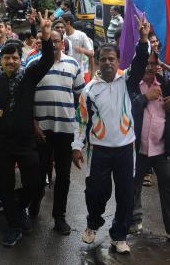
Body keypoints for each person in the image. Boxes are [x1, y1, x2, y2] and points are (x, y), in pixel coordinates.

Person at [72, 16, 150, 254]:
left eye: (112, 58)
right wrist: (77, 146)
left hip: (126, 148)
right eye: (103, 58)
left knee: (126, 195)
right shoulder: (89, 90)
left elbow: (139, 63)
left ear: (118, 61)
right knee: (96, 191)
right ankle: (93, 223)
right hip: (100, 150)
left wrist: (143, 40)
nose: (107, 62)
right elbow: (81, 120)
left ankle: (119, 235)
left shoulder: (126, 81)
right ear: (99, 60)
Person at [0, 11, 54, 247]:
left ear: (21, 58)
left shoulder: (29, 76)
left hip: (24, 141)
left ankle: (19, 208)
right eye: (6, 58)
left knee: (35, 183)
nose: (10, 61)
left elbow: (47, 60)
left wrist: (46, 35)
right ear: (0, 59)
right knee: (2, 185)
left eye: (15, 58)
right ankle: (14, 223)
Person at [30, 29, 85, 234]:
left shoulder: (73, 64)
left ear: (63, 43)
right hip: (40, 131)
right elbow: (27, 98)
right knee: (37, 173)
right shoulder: (33, 64)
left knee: (63, 176)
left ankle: (59, 217)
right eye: (49, 41)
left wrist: (79, 136)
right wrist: (33, 123)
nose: (53, 45)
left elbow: (81, 98)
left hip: (65, 131)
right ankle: (34, 201)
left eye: (56, 41)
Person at [128, 51, 170, 239]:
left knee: (167, 187)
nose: (149, 66)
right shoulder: (132, 84)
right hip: (138, 149)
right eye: (146, 62)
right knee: (133, 187)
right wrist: (145, 98)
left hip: (162, 150)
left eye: (153, 63)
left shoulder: (165, 84)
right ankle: (134, 222)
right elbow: (126, 110)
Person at [62, 14, 94, 83]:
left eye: (62, 23)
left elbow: (92, 54)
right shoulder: (62, 36)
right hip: (66, 73)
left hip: (80, 73)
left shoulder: (81, 35)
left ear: (68, 23)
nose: (61, 26)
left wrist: (82, 50)